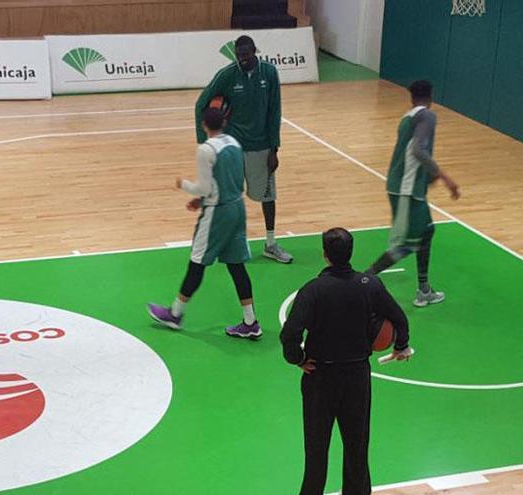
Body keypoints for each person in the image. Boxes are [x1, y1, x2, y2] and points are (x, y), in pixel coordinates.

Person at [280, 228, 413, 495]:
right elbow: (399, 319)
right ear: (350, 253)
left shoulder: (313, 290)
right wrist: (400, 346)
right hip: (357, 378)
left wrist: (299, 359)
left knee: (316, 453)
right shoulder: (370, 285)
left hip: (320, 378)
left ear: (325, 254)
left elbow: (290, 334)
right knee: (357, 448)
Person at [147, 107, 261, 339]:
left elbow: (204, 188)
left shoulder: (205, 150)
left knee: (197, 263)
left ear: (203, 125)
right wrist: (202, 201)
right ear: (224, 123)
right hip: (237, 208)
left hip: (217, 214)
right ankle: (250, 322)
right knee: (236, 266)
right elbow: (232, 180)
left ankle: (175, 314)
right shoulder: (234, 143)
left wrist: (184, 185)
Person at [195, 35, 292, 264]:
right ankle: (227, 243)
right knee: (229, 199)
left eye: (246, 55)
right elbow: (201, 104)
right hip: (234, 147)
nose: (242, 59)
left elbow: (275, 111)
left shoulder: (269, 73)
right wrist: (205, 142)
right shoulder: (227, 75)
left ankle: (270, 243)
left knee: (268, 197)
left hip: (261, 146)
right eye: (239, 56)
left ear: (254, 52)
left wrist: (274, 148)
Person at [365, 80, 460, 307]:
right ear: (431, 97)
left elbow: (409, 154)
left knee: (427, 232)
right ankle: (363, 281)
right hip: (406, 191)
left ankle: (424, 289)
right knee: (404, 245)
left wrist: (428, 177)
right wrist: (445, 177)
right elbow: (418, 149)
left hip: (406, 188)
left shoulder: (407, 118)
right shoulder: (427, 116)